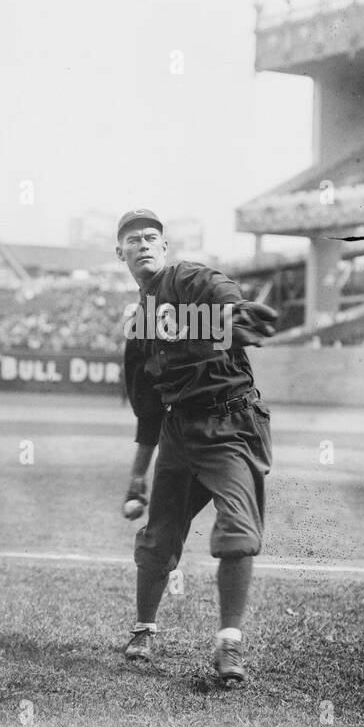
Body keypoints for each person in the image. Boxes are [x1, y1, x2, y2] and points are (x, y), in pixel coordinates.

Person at [114, 209, 278, 686]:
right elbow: (148, 409)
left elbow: (222, 294)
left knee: (237, 531)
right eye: (132, 239)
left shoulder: (185, 277)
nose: (143, 244)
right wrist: (137, 476)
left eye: (151, 237)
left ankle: (229, 643)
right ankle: (144, 628)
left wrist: (232, 313)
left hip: (230, 424)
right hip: (178, 434)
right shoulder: (138, 325)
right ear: (119, 253)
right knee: (158, 538)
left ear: (164, 247)